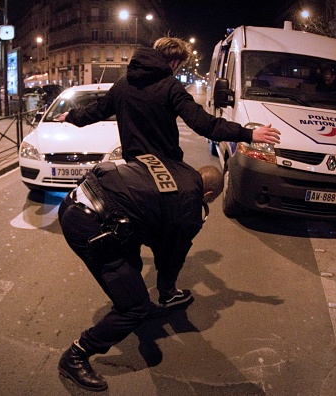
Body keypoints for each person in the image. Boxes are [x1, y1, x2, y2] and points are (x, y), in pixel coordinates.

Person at [57, 156, 224, 391]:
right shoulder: (190, 206)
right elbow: (171, 258)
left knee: (131, 252)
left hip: (78, 201)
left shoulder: (177, 166)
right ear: (207, 195)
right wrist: (167, 291)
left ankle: (140, 302)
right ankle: (76, 355)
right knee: (134, 309)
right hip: (90, 226)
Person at [59, 37, 281, 162]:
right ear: (174, 63)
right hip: (165, 166)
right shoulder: (171, 86)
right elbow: (203, 123)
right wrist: (249, 133)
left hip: (132, 165)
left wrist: (70, 115)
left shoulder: (122, 83)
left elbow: (96, 111)